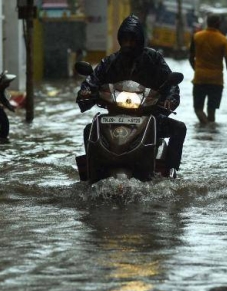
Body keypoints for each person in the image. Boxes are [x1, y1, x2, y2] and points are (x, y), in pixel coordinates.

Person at [76, 14, 186, 175]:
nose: (128, 44)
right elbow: (94, 78)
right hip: (115, 114)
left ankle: (170, 170)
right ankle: (91, 174)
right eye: (125, 40)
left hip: (149, 114)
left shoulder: (153, 58)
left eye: (132, 40)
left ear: (140, 40)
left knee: (179, 128)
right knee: (90, 129)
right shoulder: (111, 61)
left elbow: (170, 83)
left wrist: (169, 99)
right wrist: (86, 91)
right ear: (120, 40)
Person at [188, 14, 227, 124]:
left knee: (198, 109)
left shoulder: (197, 36)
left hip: (200, 78)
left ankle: (206, 128)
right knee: (212, 111)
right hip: (216, 80)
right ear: (218, 24)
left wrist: (197, 69)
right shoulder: (223, 40)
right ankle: (211, 131)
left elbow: (190, 57)